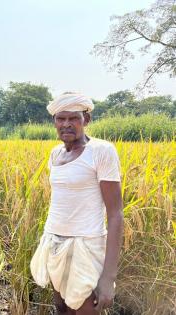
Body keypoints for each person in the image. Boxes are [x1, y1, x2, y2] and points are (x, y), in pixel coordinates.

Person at [30, 93, 124, 315]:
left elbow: (116, 214)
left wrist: (109, 277)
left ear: (87, 119)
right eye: (60, 119)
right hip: (54, 242)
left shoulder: (101, 151)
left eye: (73, 118)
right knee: (62, 307)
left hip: (86, 246)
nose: (66, 124)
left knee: (84, 310)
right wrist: (49, 240)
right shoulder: (56, 154)